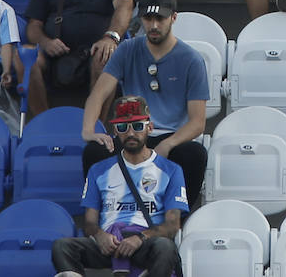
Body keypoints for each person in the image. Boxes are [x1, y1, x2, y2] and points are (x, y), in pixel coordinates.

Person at [80, 0, 208, 202]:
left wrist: (167, 145)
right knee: (95, 152)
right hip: (132, 130)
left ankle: (176, 222)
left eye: (160, 18)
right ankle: (105, 218)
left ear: (173, 18)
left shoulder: (191, 60)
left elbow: (197, 122)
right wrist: (88, 130)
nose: (154, 25)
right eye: (148, 18)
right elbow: (98, 94)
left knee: (194, 154)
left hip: (170, 135)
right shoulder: (128, 49)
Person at [51, 96, 186, 277]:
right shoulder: (98, 170)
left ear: (150, 128)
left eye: (137, 126)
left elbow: (172, 225)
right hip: (109, 243)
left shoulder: (171, 170)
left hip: (147, 243)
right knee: (62, 247)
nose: (130, 133)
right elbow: (90, 222)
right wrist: (100, 236)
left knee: (165, 246)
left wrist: (140, 238)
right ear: (115, 131)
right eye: (123, 127)